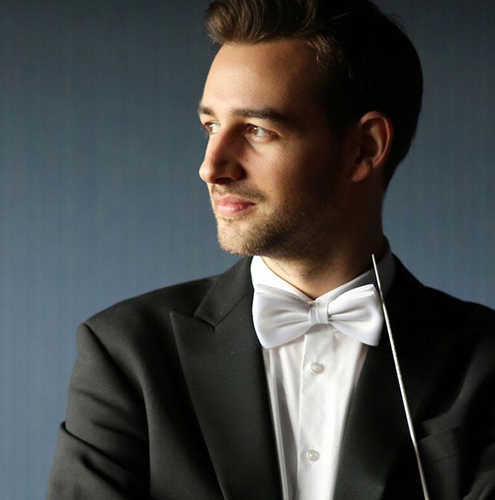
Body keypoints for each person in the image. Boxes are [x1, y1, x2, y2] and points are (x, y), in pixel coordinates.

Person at [47, 0, 495, 499]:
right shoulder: (126, 352)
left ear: (365, 148)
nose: (211, 167)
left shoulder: (486, 360)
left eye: (257, 130)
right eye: (211, 127)